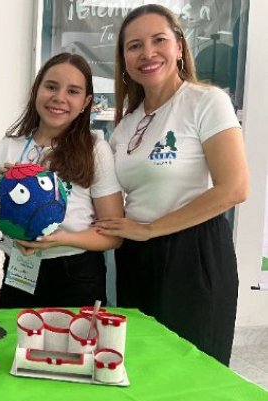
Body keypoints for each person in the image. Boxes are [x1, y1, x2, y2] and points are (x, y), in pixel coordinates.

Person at [94, 4, 248, 366]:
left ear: (179, 46)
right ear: (124, 59)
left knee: (193, 372)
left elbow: (235, 188)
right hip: (135, 255)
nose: (147, 53)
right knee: (143, 367)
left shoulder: (206, 102)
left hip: (194, 253)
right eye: (134, 46)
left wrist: (151, 229)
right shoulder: (125, 127)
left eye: (158, 40)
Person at [0, 53, 124, 309]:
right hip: (19, 272)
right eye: (51, 87)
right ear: (37, 90)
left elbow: (113, 235)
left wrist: (63, 239)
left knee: (74, 349)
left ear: (85, 102)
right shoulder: (8, 146)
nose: (59, 98)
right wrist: (3, 194)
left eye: (73, 91)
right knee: (16, 347)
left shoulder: (94, 149)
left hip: (76, 273)